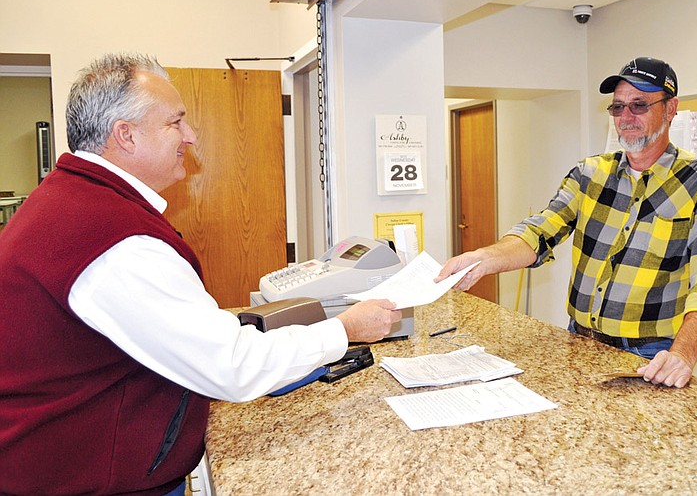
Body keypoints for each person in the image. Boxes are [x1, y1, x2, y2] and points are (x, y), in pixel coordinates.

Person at [0, 53, 401, 496]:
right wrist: (344, 329)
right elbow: (233, 366)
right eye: (176, 122)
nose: (190, 137)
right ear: (125, 135)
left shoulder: (75, 203)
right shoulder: (113, 241)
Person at [436, 57, 697, 389]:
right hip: (578, 341)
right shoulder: (590, 173)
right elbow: (541, 231)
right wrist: (483, 258)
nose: (626, 117)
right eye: (618, 107)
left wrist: (683, 353)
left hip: (648, 354)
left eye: (639, 105)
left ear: (670, 109)